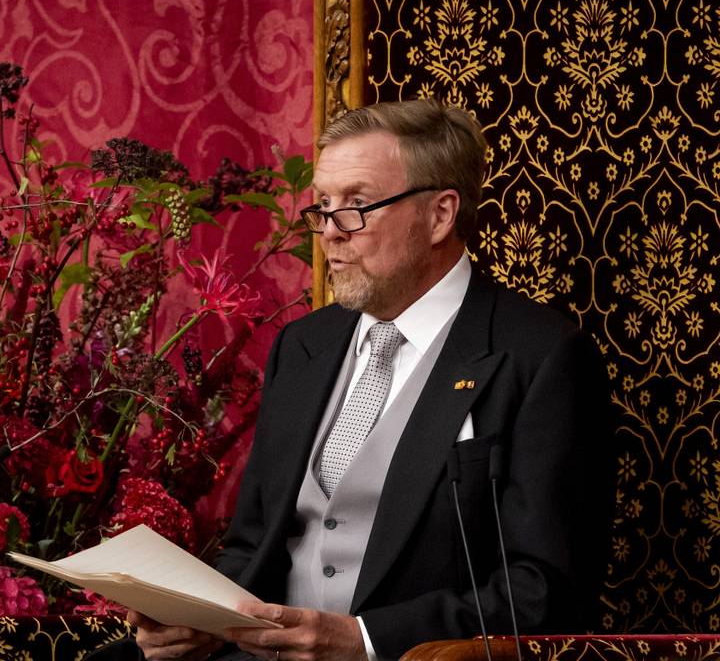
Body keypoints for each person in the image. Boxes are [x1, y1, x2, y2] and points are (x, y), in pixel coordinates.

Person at [130, 100, 612, 661]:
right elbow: (251, 546)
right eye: (324, 206)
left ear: (439, 215)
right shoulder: (302, 345)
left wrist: (365, 639)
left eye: (357, 205)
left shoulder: (541, 357)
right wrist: (202, 621)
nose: (330, 234)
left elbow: (546, 593)